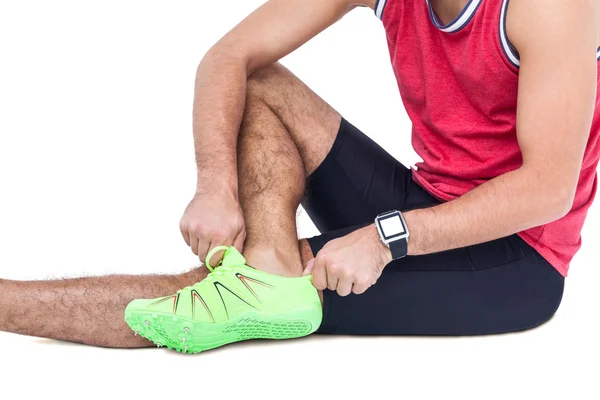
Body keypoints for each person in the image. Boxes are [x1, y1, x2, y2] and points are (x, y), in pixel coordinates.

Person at [1, 0, 599, 353]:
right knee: (256, 80)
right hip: (426, 202)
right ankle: (271, 272)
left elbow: (549, 190)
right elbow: (228, 58)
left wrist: (386, 236)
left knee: (202, 293)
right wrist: (216, 184)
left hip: (517, 260)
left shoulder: (548, 8)